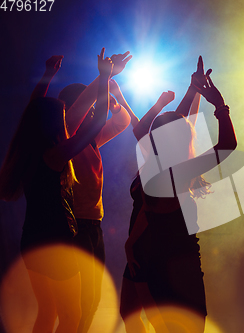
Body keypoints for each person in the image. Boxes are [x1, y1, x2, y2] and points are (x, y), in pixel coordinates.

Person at [0, 50, 113, 333]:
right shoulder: (55, 155)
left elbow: (32, 109)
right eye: (62, 116)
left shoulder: (28, 151)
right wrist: (104, 78)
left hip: (32, 240)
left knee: (47, 313)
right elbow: (97, 124)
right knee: (71, 316)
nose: (67, 120)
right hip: (57, 243)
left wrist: (48, 74)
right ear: (53, 123)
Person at [126, 61, 237, 332]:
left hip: (150, 256)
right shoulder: (180, 171)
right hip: (178, 264)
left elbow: (146, 212)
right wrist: (219, 105)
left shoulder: (153, 166)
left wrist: (130, 245)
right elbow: (227, 145)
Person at [120, 57, 204, 333]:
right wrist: (191, 91)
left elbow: (159, 127)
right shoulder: (158, 158)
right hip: (141, 242)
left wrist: (131, 244)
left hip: (148, 243)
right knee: (130, 313)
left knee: (152, 320)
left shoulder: (170, 167)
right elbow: (170, 126)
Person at [57, 51, 132, 333]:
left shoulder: (92, 140)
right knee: (76, 306)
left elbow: (123, 121)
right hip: (73, 225)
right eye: (89, 109)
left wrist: (112, 100)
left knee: (91, 301)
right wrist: (105, 78)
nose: (92, 114)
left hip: (92, 224)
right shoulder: (66, 135)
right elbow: (79, 110)